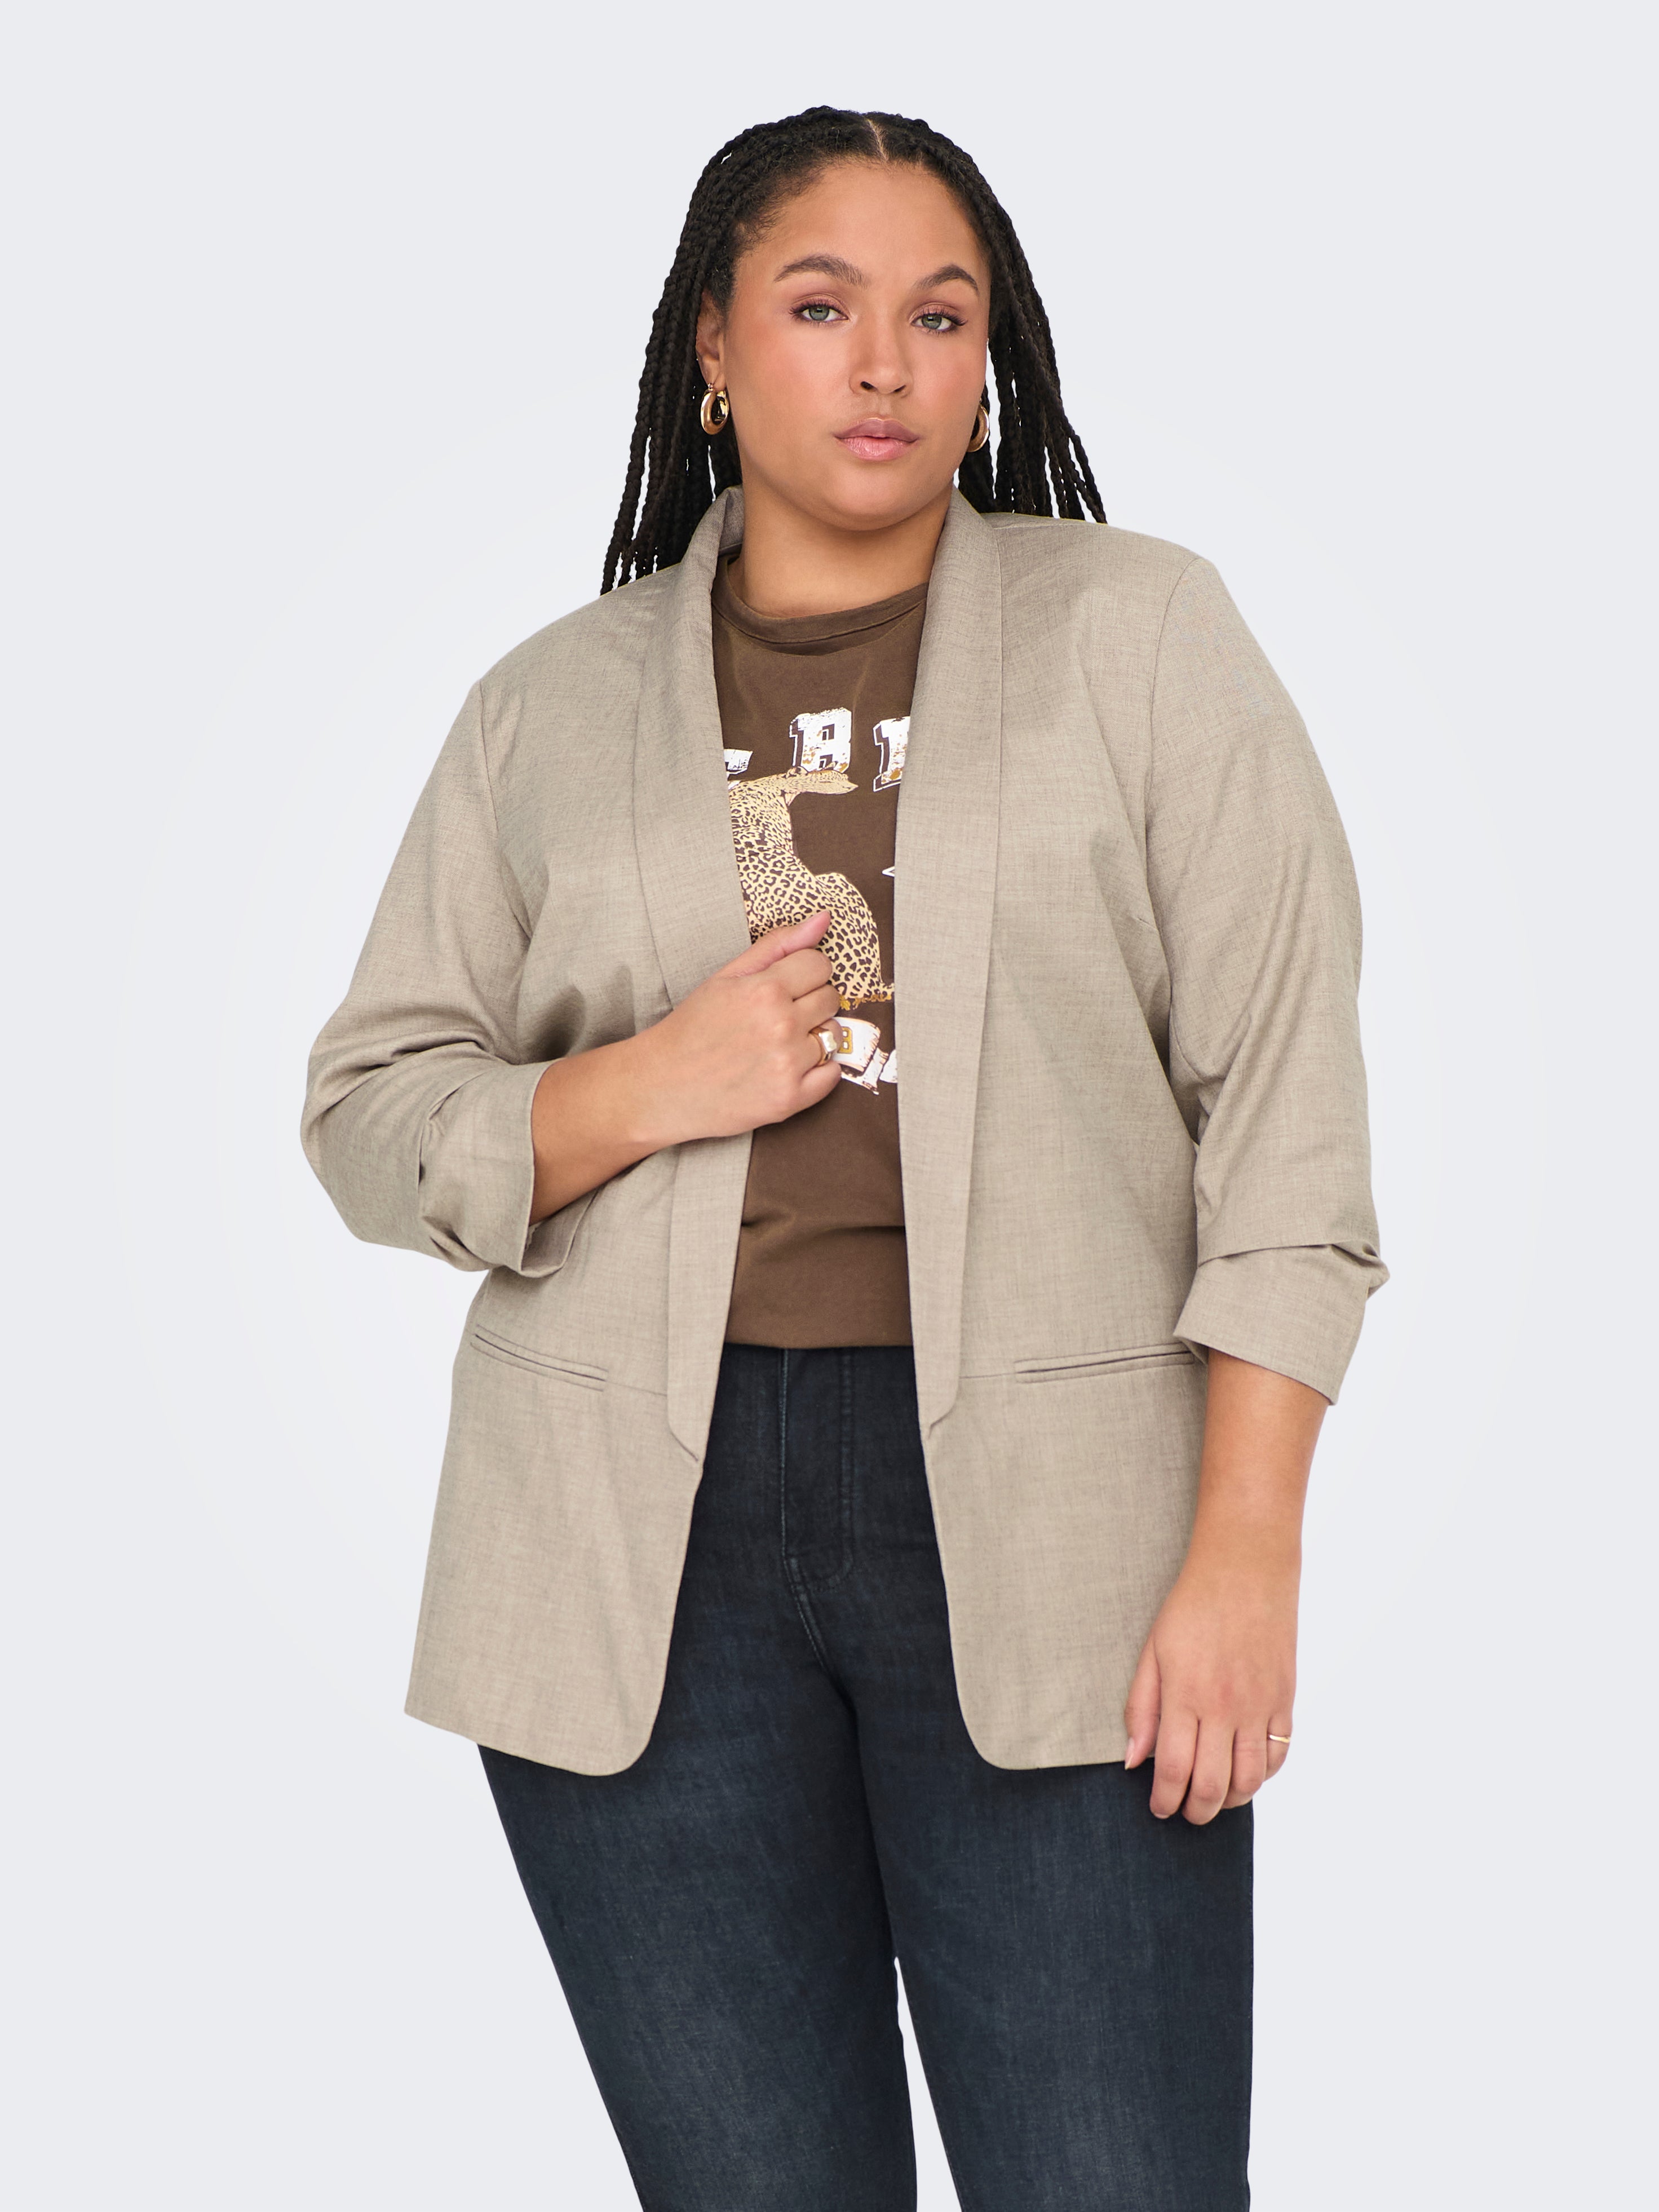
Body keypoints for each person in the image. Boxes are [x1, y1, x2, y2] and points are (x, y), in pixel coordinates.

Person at [303, 105, 1385, 2212]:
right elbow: (366, 1107)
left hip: (1066, 1528)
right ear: (714, 351)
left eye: (940, 315)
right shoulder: (546, 707)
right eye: (820, 307)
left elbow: (1286, 1123)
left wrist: (1247, 1550)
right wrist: (647, 1083)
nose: (886, 361)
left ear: (992, 359)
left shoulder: (1145, 637)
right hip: (638, 1549)